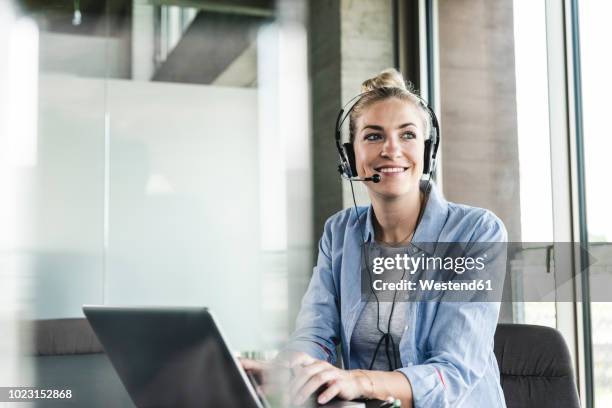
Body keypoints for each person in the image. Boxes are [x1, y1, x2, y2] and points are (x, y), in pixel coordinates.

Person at [242, 68, 507, 408]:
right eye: (373, 136)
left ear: (428, 150)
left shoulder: (476, 232)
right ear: (350, 157)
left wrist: (358, 381)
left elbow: (452, 372)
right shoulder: (340, 233)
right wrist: (286, 369)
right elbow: (316, 333)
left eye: (408, 135)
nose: (391, 149)